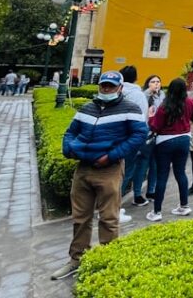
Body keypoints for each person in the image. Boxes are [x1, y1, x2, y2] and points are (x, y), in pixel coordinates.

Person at [51, 71, 147, 280]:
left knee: (109, 218)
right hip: (84, 167)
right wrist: (68, 149)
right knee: (80, 217)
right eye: (104, 85)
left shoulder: (130, 109)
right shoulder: (87, 108)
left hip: (109, 168)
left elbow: (140, 134)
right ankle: (77, 258)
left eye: (111, 86)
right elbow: (71, 132)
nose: (106, 89)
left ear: (120, 88)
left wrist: (111, 156)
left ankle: (107, 262)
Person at [146, 78, 193, 222]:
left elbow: (155, 126)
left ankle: (157, 211)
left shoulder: (165, 105)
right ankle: (184, 206)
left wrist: (151, 117)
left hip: (165, 141)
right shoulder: (190, 102)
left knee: (162, 175)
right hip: (184, 139)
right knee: (180, 173)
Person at [117, 66, 148, 222]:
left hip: (115, 137)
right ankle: (113, 207)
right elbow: (142, 118)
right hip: (131, 138)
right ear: (136, 78)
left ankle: (108, 205)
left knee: (114, 172)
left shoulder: (116, 91)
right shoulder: (138, 94)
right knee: (127, 171)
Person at [129, 75, 163, 206]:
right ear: (147, 84)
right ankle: (137, 194)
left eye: (158, 81)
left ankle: (151, 190)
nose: (156, 84)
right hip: (145, 134)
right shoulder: (142, 96)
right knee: (142, 165)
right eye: (153, 82)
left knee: (155, 165)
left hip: (158, 134)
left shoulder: (162, 96)